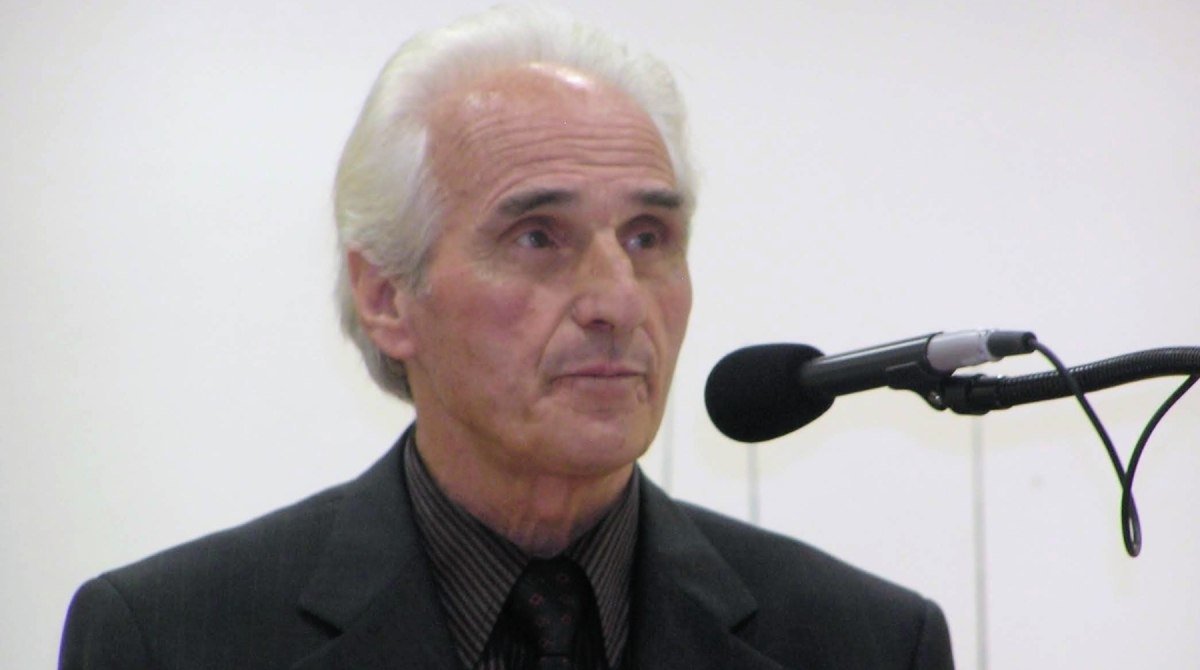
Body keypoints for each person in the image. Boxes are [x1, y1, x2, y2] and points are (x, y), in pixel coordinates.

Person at [59, 5, 954, 669]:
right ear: (385, 296)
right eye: (537, 238)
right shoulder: (170, 638)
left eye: (648, 237)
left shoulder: (864, 643)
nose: (618, 301)